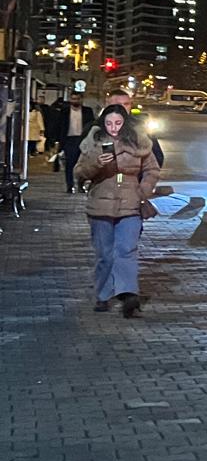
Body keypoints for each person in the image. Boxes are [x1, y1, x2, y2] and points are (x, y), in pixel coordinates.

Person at [74, 106, 159, 316]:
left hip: (131, 203)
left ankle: (129, 295)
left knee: (126, 250)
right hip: (101, 205)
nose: (113, 128)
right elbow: (79, 172)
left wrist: (144, 189)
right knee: (105, 254)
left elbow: (152, 169)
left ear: (125, 122)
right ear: (103, 123)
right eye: (109, 123)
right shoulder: (94, 141)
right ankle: (103, 295)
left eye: (118, 123)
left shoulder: (138, 140)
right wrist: (96, 164)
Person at [105, 92, 165, 167]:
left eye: (126, 104)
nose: (123, 108)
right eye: (118, 105)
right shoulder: (97, 128)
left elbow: (157, 157)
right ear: (107, 104)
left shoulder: (140, 128)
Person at [56, 93, 97, 193]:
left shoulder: (87, 111)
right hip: (69, 140)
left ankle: (80, 184)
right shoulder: (65, 112)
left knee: (83, 164)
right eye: (73, 99)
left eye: (77, 99)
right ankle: (70, 185)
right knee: (70, 164)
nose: (75, 101)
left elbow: (92, 125)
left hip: (83, 139)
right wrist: (58, 141)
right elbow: (59, 126)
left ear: (81, 100)